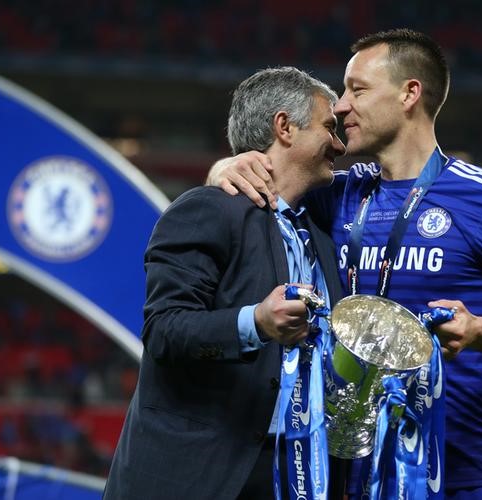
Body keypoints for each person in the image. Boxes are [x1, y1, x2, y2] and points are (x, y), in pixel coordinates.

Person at [208, 29, 482, 499]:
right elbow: (256, 188)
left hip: (474, 472)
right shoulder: (336, 196)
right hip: (363, 474)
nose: (340, 107)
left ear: (410, 94)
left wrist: (480, 330)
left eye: (357, 90)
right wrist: (224, 169)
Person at [104, 67, 346, 500]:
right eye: (329, 127)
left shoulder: (323, 236)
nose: (340, 144)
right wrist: (255, 322)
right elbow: (164, 331)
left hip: (292, 474)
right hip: (199, 475)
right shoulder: (207, 210)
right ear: (284, 127)